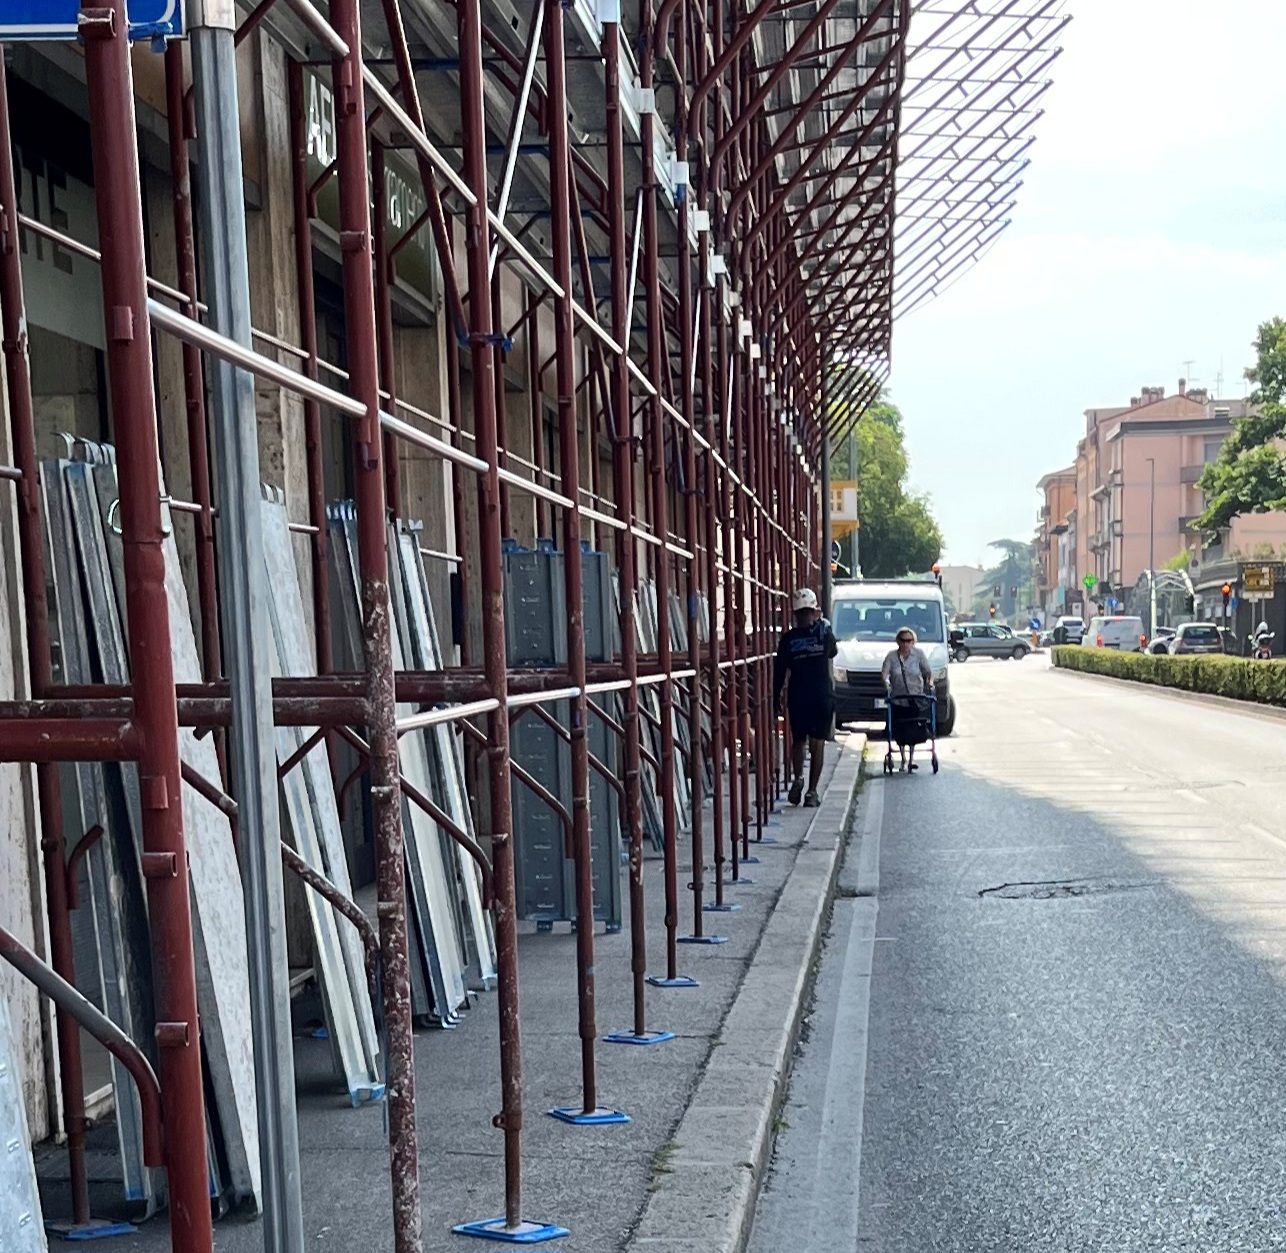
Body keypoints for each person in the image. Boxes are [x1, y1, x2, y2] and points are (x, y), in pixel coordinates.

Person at [773, 588, 837, 807]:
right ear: (814, 611)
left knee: (799, 740)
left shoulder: (789, 640)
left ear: (795, 614)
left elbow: (779, 672)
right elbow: (833, 651)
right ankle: (812, 791)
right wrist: (823, 627)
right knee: (817, 743)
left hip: (799, 696)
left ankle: (799, 777)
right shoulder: (823, 633)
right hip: (821, 695)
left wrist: (775, 699)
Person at [882, 627, 933, 771]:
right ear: (898, 641)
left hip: (915, 698)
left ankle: (911, 758)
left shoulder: (919, 655)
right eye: (903, 640)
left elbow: (928, 672)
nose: (905, 643)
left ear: (913, 642)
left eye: (909, 641)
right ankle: (903, 758)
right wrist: (886, 683)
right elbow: (884, 673)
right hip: (898, 698)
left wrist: (930, 682)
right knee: (900, 729)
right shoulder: (891, 656)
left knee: (912, 728)